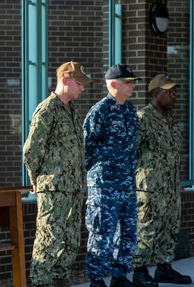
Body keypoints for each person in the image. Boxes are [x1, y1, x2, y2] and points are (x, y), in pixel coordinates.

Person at [23, 61, 93, 287]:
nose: (83, 88)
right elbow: (31, 149)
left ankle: (61, 280)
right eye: (79, 83)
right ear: (65, 80)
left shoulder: (72, 110)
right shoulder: (47, 109)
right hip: (53, 188)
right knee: (49, 239)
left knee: (71, 240)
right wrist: (37, 179)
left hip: (73, 188)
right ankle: (41, 282)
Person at [83, 64, 141, 287]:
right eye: (128, 82)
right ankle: (97, 280)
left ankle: (119, 276)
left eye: (132, 82)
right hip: (104, 185)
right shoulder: (99, 111)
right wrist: (97, 176)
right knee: (101, 234)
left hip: (126, 184)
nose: (132, 86)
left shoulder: (129, 110)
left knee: (127, 233)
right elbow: (86, 149)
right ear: (113, 85)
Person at [132, 74, 192, 286]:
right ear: (156, 93)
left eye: (174, 92)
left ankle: (164, 268)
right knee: (146, 230)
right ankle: (139, 272)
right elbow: (130, 154)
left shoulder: (171, 121)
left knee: (169, 229)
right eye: (168, 92)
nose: (173, 95)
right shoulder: (142, 119)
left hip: (170, 188)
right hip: (150, 190)